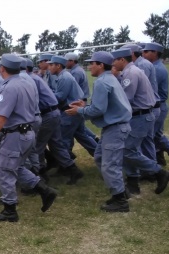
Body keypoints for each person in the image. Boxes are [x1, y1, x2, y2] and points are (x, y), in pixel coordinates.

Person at [0, 54, 57, 222]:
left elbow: (1, 117)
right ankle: (44, 190)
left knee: (4, 170)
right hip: (28, 132)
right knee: (16, 166)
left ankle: (10, 209)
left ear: (2, 68)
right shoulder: (27, 82)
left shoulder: (9, 87)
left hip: (15, 134)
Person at [65, 51, 132, 212]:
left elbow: (98, 110)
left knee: (110, 165)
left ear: (101, 65)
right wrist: (85, 106)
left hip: (115, 128)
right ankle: (120, 190)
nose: (90, 66)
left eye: (92, 63)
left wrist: (79, 111)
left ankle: (120, 201)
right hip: (115, 127)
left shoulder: (102, 82)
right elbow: (102, 106)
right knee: (101, 157)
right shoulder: (109, 78)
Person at [110, 48, 169, 196]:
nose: (113, 63)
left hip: (140, 117)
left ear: (122, 60)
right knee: (131, 149)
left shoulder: (131, 74)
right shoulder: (130, 71)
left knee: (127, 150)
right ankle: (133, 182)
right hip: (141, 115)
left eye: (115, 60)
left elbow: (125, 99)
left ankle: (158, 172)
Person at [49, 55, 97, 158]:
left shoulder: (64, 77)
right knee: (83, 137)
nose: (50, 67)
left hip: (69, 112)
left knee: (63, 140)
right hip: (74, 112)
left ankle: (67, 166)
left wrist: (46, 95)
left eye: (51, 65)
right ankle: (101, 155)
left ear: (58, 66)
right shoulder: (64, 75)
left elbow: (60, 97)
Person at [143, 43, 169, 165]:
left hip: (158, 105)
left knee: (151, 136)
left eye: (146, 51)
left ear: (154, 53)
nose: (143, 54)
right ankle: (160, 159)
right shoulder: (154, 66)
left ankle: (152, 166)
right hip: (158, 105)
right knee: (156, 135)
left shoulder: (156, 69)